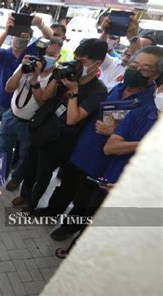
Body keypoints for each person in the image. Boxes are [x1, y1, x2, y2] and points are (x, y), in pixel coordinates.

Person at [38, 46, 163, 229]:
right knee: (65, 186)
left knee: (83, 201)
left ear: (154, 75)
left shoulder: (147, 108)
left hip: (102, 161)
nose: (135, 71)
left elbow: (136, 145)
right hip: (82, 149)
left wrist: (115, 133)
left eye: (144, 69)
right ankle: (52, 212)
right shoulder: (117, 88)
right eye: (134, 65)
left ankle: (68, 228)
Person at [13, 39, 108, 211]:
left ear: (97, 63)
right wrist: (56, 78)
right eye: (75, 59)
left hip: (61, 140)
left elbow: (73, 119)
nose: (77, 65)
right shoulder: (68, 74)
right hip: (43, 128)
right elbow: (46, 98)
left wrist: (73, 91)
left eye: (82, 62)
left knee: (43, 174)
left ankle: (32, 203)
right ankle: (25, 195)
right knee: (30, 165)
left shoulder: (98, 90)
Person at [0, 14, 53, 152]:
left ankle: (1, 166)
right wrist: (7, 31)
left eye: (24, 36)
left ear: (29, 39)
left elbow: (51, 38)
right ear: (12, 38)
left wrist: (40, 25)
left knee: (6, 142)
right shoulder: (5, 54)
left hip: (15, 107)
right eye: (16, 36)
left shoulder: (31, 52)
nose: (19, 39)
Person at [0, 37, 63, 192]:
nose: (47, 57)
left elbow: (44, 103)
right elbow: (9, 88)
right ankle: (0, 174)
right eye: (46, 53)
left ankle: (16, 179)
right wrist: (22, 69)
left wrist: (35, 80)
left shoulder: (56, 77)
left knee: (25, 155)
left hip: (31, 123)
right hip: (11, 116)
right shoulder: (28, 65)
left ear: (59, 57)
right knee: (3, 148)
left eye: (52, 54)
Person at [99, 15, 141, 91]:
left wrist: (134, 37)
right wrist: (105, 32)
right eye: (128, 47)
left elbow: (137, 56)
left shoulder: (137, 73)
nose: (129, 49)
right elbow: (98, 51)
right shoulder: (112, 62)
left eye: (132, 47)